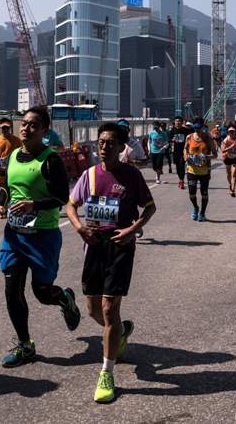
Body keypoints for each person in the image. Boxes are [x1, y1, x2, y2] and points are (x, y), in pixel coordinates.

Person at [65, 122, 156, 404]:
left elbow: (150, 207)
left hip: (120, 247)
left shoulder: (132, 175)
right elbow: (70, 206)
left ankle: (107, 373)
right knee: (93, 308)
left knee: (109, 307)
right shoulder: (89, 175)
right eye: (101, 142)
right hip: (93, 247)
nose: (104, 147)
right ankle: (121, 331)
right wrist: (79, 227)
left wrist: (132, 229)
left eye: (110, 143)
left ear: (121, 147)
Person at [0, 106, 82, 367]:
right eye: (24, 124)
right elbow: (7, 189)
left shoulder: (50, 160)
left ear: (44, 131)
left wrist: (33, 205)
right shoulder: (14, 155)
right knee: (12, 290)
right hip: (15, 235)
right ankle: (25, 345)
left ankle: (64, 298)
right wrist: (0, 206)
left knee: (41, 292)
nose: (26, 128)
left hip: (43, 235)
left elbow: (62, 197)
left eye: (33, 126)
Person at [184, 117, 217, 221]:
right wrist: (186, 157)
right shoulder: (189, 137)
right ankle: (195, 207)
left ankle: (202, 213)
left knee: (204, 193)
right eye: (195, 128)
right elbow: (185, 149)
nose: (197, 130)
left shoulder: (208, 138)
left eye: (199, 128)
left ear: (203, 126)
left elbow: (215, 155)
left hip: (204, 171)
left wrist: (205, 157)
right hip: (191, 170)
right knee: (192, 194)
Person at [0, 117, 23, 188]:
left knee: (13, 188)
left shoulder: (17, 140)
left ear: (10, 127)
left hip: (13, 169)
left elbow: (22, 152)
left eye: (7, 127)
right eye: (3, 127)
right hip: (1, 168)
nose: (5, 129)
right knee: (2, 190)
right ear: (0, 128)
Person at [220, 125, 236, 197]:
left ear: (235, 132)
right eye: (230, 132)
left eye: (233, 132)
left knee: (234, 174)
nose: (231, 133)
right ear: (228, 133)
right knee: (229, 174)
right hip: (227, 157)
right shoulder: (226, 140)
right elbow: (222, 150)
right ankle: (230, 185)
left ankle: (233, 190)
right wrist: (231, 146)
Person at [168, 116, 189, 190]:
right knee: (177, 166)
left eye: (180, 121)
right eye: (177, 121)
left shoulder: (185, 130)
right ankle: (180, 178)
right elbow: (168, 140)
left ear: (182, 122)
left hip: (183, 151)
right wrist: (171, 140)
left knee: (182, 165)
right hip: (175, 151)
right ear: (174, 122)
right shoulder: (172, 131)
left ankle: (181, 180)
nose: (178, 122)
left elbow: (189, 138)